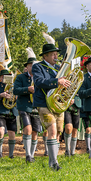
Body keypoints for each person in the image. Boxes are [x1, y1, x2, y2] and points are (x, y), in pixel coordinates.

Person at [32, 34, 71, 171]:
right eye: (53, 54)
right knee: (52, 130)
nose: (56, 56)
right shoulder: (38, 67)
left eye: (56, 54)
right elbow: (38, 82)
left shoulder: (60, 68)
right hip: (43, 103)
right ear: (45, 56)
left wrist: (69, 96)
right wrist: (56, 81)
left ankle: (52, 161)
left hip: (58, 104)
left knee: (58, 132)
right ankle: (54, 163)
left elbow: (66, 85)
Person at [13, 47, 41, 163]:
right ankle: (28, 155)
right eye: (31, 65)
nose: (32, 68)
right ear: (27, 67)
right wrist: (27, 89)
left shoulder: (40, 78)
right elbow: (15, 91)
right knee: (28, 129)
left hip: (36, 106)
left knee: (35, 132)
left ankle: (32, 154)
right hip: (24, 106)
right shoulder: (20, 77)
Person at [0, 69, 18, 158]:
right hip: (0, 111)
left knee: (12, 133)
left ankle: (11, 154)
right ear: (0, 78)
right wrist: (1, 95)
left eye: (6, 76)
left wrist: (17, 97)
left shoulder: (14, 86)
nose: (4, 78)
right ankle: (0, 152)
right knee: (1, 131)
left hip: (11, 111)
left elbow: (19, 96)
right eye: (2, 76)